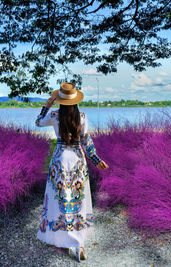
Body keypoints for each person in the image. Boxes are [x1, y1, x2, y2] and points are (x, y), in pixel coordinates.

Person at [35, 82, 109, 262]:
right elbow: (86, 141)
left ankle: (61, 237)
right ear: (75, 100)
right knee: (77, 199)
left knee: (59, 199)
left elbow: (37, 122)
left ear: (60, 100)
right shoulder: (82, 116)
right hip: (77, 160)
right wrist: (96, 160)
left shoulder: (54, 115)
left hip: (60, 159)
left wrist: (46, 106)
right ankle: (78, 243)